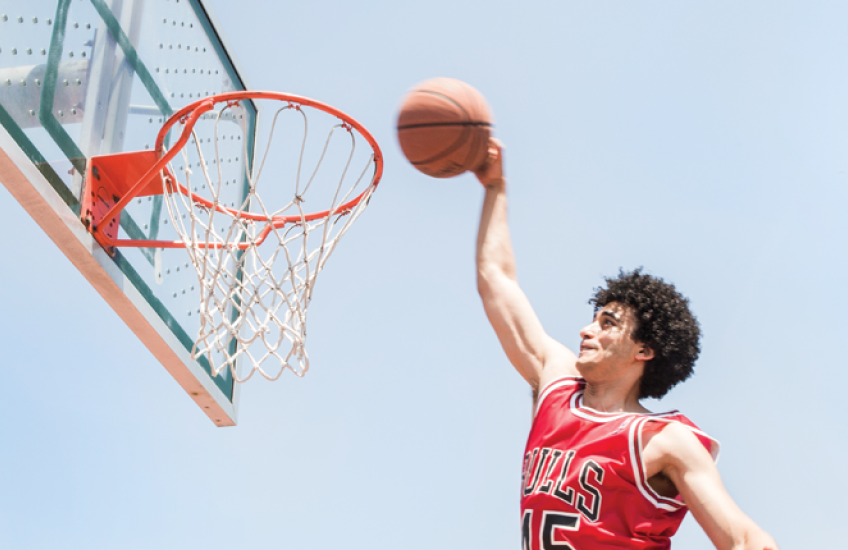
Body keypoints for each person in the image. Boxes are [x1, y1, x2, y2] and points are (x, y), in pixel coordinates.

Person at [474, 139, 779, 550]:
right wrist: (495, 188)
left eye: (608, 323)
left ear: (644, 350)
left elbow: (746, 540)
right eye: (593, 318)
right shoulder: (555, 390)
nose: (586, 330)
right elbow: (496, 280)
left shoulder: (664, 441)